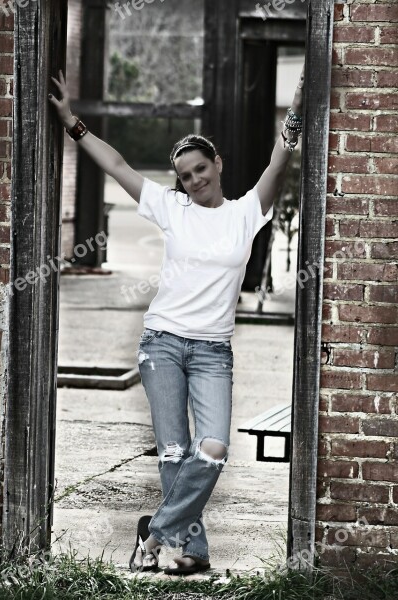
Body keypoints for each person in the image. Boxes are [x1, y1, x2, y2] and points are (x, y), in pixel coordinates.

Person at [49, 65, 304, 575]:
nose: (193, 181)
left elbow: (280, 160)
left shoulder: (246, 213)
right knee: (173, 450)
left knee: (212, 449)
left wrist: (297, 107)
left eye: (200, 170)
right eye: (185, 176)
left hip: (213, 350)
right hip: (162, 343)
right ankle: (187, 551)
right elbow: (118, 166)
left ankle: (157, 533)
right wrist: (73, 123)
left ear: (218, 163)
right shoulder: (171, 208)